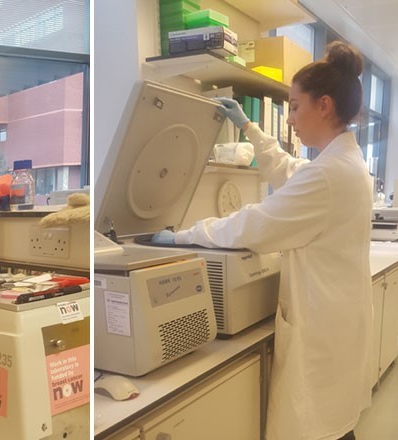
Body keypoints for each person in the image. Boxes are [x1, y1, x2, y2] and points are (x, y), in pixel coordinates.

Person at [153, 41, 373, 440]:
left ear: (323, 105)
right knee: (336, 427)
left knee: (319, 427)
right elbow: (292, 171)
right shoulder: (344, 163)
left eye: (293, 105)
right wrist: (248, 128)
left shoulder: (329, 174)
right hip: (339, 321)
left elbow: (254, 225)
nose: (289, 119)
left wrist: (184, 236)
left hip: (322, 328)